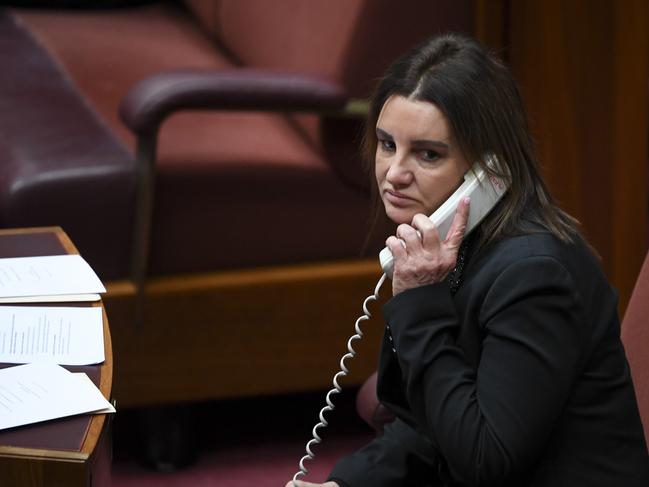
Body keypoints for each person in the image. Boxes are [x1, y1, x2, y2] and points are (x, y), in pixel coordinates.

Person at [286, 33, 649, 487]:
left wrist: (418, 305)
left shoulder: (535, 275)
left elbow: (484, 458)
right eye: (386, 144)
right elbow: (427, 424)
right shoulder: (447, 249)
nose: (394, 174)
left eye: (427, 154)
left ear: (488, 171)